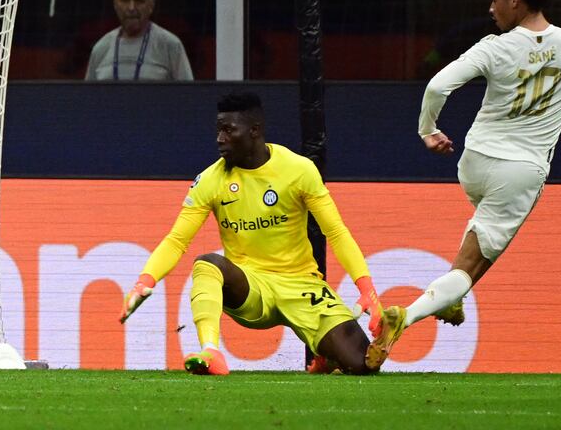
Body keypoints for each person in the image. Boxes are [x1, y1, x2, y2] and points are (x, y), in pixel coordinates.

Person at [366, 0, 561, 366]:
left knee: (479, 237)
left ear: (516, 0)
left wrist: (429, 131)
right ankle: (404, 316)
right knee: (472, 263)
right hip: (520, 172)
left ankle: (453, 297)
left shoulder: (493, 48)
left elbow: (438, 87)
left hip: (474, 163)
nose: (490, 7)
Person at [119, 92, 386, 375]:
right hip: (250, 287)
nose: (220, 138)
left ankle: (327, 354)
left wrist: (366, 289)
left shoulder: (298, 170)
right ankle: (211, 352)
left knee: (362, 365)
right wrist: (144, 282)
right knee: (208, 263)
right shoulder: (210, 180)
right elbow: (176, 240)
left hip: (301, 284)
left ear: (254, 131)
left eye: (228, 130)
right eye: (218, 130)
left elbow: (336, 232)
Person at [85, 0, 193, 81]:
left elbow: (189, 96)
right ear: (115, 3)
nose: (131, 7)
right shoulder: (100, 48)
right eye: (125, 0)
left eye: (139, 1)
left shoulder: (170, 45)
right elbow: (88, 97)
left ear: (151, 6)